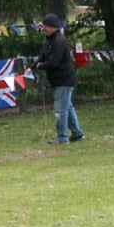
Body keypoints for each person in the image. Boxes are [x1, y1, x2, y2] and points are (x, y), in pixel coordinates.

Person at [35, 13, 84, 144]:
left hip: (64, 80)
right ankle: (77, 133)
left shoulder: (59, 41)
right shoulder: (49, 39)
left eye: (46, 26)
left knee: (60, 110)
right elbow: (42, 56)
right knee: (67, 107)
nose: (43, 28)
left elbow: (54, 62)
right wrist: (34, 65)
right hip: (58, 80)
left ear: (53, 27)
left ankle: (62, 138)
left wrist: (41, 66)